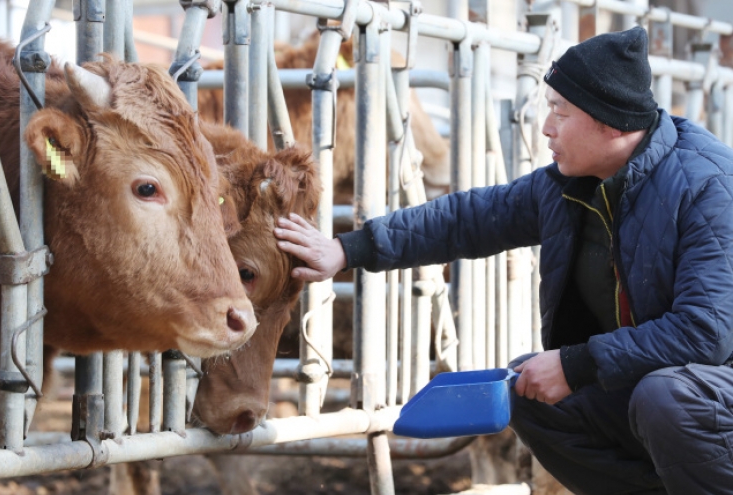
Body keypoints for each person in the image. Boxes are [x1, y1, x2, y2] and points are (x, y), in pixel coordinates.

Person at [274, 26, 733, 495]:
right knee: (527, 390)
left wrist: (575, 365)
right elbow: (468, 218)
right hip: (654, 390)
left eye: (560, 111)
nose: (546, 126)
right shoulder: (568, 185)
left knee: (666, 399)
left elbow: (707, 332)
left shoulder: (706, 186)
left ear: (611, 121)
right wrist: (347, 250)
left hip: (713, 390)